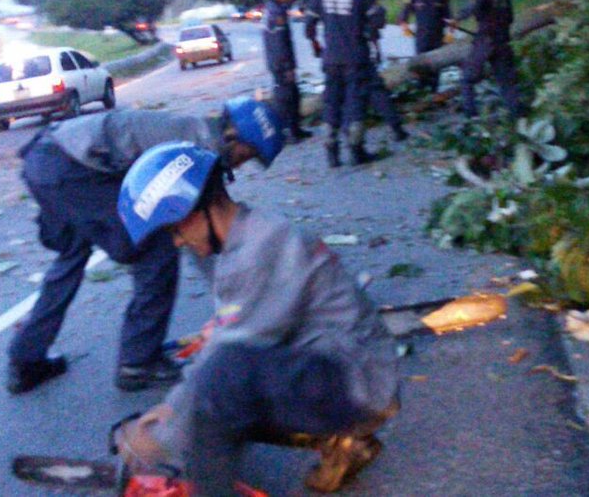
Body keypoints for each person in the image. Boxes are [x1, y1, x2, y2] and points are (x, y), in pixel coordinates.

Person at [112, 143, 399, 494]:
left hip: (362, 384)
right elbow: (223, 336)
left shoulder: (262, 249)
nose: (176, 243)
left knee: (221, 384)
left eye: (174, 230)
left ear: (195, 209)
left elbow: (229, 358)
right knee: (209, 392)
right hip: (339, 369)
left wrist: (163, 438)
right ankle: (343, 444)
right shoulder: (244, 242)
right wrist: (173, 410)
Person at [6, 99, 286, 395]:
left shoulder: (197, 134)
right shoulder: (198, 151)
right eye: (249, 153)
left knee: (72, 255)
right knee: (156, 248)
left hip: (48, 158)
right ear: (233, 137)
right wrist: (240, 309)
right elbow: (202, 236)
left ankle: (26, 360)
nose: (244, 163)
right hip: (71, 169)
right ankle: (137, 363)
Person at [304, 0, 381, 167]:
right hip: (356, 57)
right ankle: (356, 151)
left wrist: (317, 44)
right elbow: (377, 21)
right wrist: (366, 32)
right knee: (355, 102)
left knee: (331, 102)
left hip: (331, 59)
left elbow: (309, 28)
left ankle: (332, 151)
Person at [450, 0, 524, 119]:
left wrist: (456, 18)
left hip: (485, 43)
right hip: (503, 42)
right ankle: (517, 116)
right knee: (506, 82)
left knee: (467, 79)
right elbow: (510, 19)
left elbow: (473, 7)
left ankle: (471, 116)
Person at [262, 0, 312, 143]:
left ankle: (295, 129)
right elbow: (278, 44)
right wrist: (286, 67)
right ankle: (286, 133)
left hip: (280, 63)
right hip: (281, 64)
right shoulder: (276, 14)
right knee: (285, 99)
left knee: (294, 94)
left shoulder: (277, 10)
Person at [397, 0, 452, 92]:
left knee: (436, 68)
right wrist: (404, 25)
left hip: (438, 38)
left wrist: (450, 34)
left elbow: (449, 17)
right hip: (421, 38)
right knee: (421, 67)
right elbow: (403, 14)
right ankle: (422, 92)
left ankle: (434, 92)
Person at [364, 3, 409, 142]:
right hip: (362, 64)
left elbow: (375, 46)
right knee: (378, 94)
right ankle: (396, 128)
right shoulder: (367, 26)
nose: (384, 22)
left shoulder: (369, 27)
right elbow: (372, 49)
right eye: (382, 18)